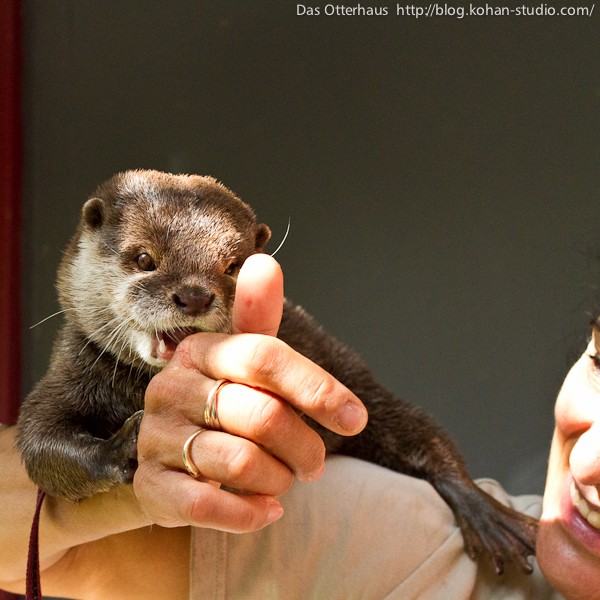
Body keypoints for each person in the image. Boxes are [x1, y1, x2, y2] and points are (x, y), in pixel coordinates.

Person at [0, 253, 594, 599]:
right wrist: (136, 483)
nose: (590, 459)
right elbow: (52, 556)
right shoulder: (414, 545)